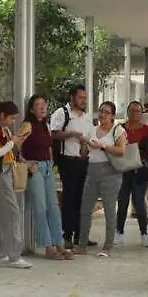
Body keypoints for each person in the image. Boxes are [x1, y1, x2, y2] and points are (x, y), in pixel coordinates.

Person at [21, 94, 74, 261]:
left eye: (44, 104)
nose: (43, 107)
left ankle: (59, 242)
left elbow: (49, 146)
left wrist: (51, 163)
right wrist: (28, 163)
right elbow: (15, 147)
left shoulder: (45, 125)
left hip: (47, 168)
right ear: (31, 109)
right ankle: (48, 246)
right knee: (41, 207)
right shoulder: (27, 125)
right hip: (35, 168)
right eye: (38, 105)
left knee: (53, 205)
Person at [0, 101, 32, 270]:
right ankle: (14, 255)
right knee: (12, 212)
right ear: (2, 116)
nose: (13, 121)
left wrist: (16, 141)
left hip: (7, 170)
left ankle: (0, 252)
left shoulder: (4, 130)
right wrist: (11, 143)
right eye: (11, 118)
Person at [76, 102, 126, 257]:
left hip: (110, 172)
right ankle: (82, 244)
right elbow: (84, 153)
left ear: (112, 115)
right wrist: (84, 146)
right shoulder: (92, 129)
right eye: (101, 111)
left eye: (106, 112)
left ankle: (107, 246)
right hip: (92, 171)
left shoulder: (117, 130)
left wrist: (102, 147)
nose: (102, 114)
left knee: (110, 210)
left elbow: (121, 151)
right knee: (85, 209)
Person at [50, 85, 96, 249]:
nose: (83, 101)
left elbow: (89, 137)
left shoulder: (87, 117)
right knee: (69, 198)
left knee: (81, 198)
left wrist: (86, 147)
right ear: (72, 98)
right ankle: (66, 234)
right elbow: (53, 133)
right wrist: (73, 134)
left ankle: (80, 234)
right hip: (67, 160)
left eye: (85, 98)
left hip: (82, 160)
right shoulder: (62, 113)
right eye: (80, 97)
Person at [116, 101, 148, 247]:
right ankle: (119, 232)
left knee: (139, 202)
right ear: (127, 112)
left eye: (138, 111)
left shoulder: (147, 130)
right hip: (124, 169)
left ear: (142, 113)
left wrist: (145, 146)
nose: (135, 114)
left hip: (140, 170)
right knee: (122, 202)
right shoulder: (120, 128)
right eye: (132, 111)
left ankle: (144, 233)